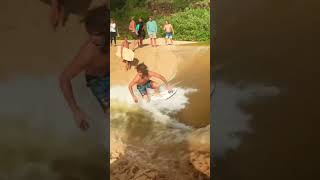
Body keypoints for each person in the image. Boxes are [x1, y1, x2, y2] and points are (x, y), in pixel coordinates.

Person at [59, 6, 109, 131]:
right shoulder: (88, 53)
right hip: (99, 82)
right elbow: (64, 79)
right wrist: (76, 111)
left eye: (97, 34)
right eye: (90, 34)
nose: (93, 39)